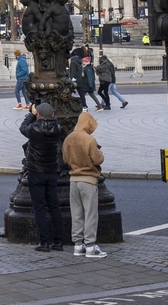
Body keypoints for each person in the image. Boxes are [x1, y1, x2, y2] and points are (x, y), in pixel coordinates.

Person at [19, 102, 64, 252]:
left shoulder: (34, 129)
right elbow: (54, 122)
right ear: (52, 115)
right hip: (51, 172)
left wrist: (31, 114)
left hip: (36, 172)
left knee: (39, 208)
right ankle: (58, 241)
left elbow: (22, 127)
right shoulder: (57, 129)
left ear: (38, 115)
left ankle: (44, 242)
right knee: (53, 207)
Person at [62, 111, 107, 259]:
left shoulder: (68, 138)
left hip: (73, 180)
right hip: (88, 179)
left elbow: (65, 159)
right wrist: (100, 154)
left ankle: (77, 244)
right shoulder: (90, 140)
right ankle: (90, 246)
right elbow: (97, 159)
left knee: (76, 213)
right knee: (90, 213)